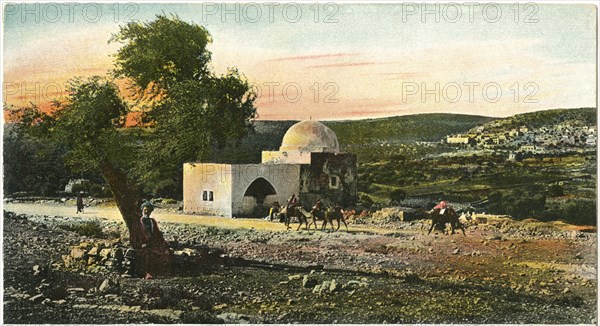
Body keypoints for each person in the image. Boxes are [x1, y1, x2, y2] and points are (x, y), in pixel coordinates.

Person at [130, 201, 172, 279]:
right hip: (142, 246)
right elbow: (133, 238)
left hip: (153, 245)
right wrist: (140, 245)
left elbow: (158, 235)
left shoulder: (152, 222)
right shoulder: (137, 223)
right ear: (142, 210)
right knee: (146, 254)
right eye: (145, 210)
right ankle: (147, 273)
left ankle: (160, 272)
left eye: (149, 210)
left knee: (164, 253)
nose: (147, 212)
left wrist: (161, 243)